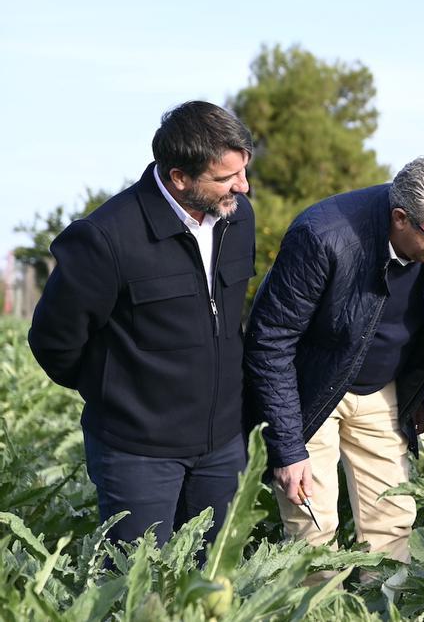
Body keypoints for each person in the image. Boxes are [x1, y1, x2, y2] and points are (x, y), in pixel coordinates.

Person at [28, 101, 256, 546]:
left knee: (216, 578)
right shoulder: (106, 236)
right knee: (137, 578)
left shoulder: (237, 217)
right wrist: (121, 396)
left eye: (243, 170)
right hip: (137, 454)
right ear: (179, 177)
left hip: (224, 445)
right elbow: (54, 340)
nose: (243, 186)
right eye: (227, 177)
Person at [243, 155, 424, 562]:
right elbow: (270, 341)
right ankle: (320, 598)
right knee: (312, 526)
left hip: (383, 390)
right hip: (312, 393)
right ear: (400, 219)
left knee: (393, 520)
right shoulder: (322, 236)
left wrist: (417, 394)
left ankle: (383, 597)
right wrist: (288, 447)